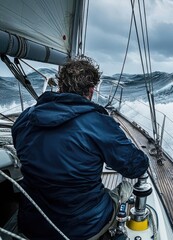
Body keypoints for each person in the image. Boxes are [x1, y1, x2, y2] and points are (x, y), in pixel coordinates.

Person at [11, 56, 149, 239]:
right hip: (83, 227)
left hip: (33, 223)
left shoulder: (25, 119)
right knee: (119, 193)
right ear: (91, 90)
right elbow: (136, 166)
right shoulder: (99, 124)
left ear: (60, 87)